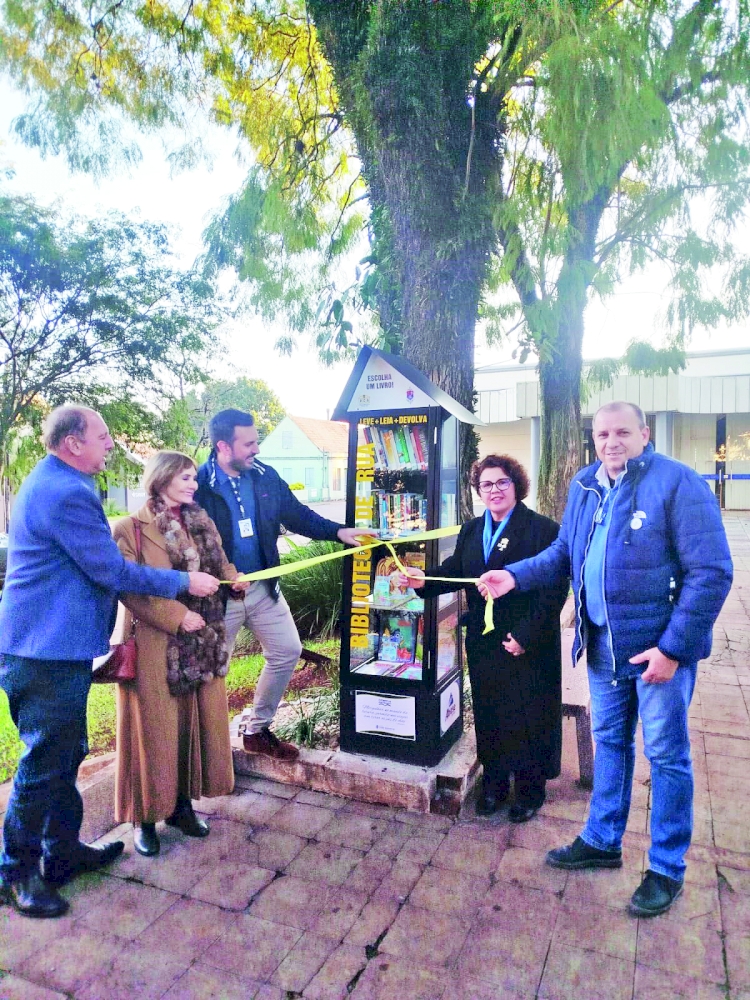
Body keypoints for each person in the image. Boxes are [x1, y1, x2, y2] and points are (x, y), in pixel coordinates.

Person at [479, 402, 733, 916]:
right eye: (601, 433)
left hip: (656, 653)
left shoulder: (679, 484)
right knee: (611, 744)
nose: (611, 441)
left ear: (644, 433)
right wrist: (516, 575)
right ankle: (601, 839)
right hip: (602, 647)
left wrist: (673, 650)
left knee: (666, 756)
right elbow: (563, 555)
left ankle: (666, 867)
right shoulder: (584, 485)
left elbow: (712, 573)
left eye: (622, 432)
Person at [0, 406, 220, 919]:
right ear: (73, 443)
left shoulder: (57, 481)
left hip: (54, 646)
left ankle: (62, 852)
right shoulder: (66, 492)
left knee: (66, 750)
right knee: (42, 762)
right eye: (102, 437)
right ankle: (15, 873)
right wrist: (183, 583)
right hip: (42, 651)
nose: (110, 444)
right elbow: (109, 569)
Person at [398, 455, 568, 822]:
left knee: (529, 712)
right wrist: (421, 580)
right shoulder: (472, 530)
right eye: (486, 485)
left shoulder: (543, 529)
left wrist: (525, 635)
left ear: (516, 485)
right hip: (484, 638)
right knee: (491, 711)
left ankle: (529, 788)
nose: (494, 490)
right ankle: (494, 781)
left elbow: (554, 590)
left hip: (528, 640)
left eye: (502, 482)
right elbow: (454, 572)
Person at [195, 409, 361, 760]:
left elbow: (298, 515)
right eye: (249, 443)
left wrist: (339, 532)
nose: (257, 449)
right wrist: (220, 576)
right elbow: (184, 546)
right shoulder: (198, 486)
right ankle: (207, 753)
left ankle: (256, 731)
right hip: (217, 599)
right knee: (210, 673)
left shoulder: (265, 476)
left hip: (264, 589)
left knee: (287, 650)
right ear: (223, 445)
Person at [113, 451, 249, 857]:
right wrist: (177, 616)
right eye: (185, 477)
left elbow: (221, 564)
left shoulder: (201, 521)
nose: (193, 484)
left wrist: (235, 580)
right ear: (162, 478)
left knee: (191, 726)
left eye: (194, 477)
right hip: (157, 644)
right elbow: (130, 588)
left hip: (202, 641)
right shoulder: (130, 528)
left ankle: (181, 807)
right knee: (152, 732)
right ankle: (145, 818)